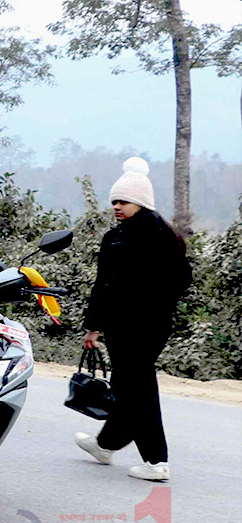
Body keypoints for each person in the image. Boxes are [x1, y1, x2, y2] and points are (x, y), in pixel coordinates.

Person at [74, 157, 191, 483]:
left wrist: (148, 301)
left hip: (142, 326)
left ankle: (157, 461)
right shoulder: (123, 237)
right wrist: (95, 326)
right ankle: (106, 445)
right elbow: (104, 285)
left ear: (140, 202)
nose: (117, 206)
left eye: (123, 201)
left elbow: (181, 278)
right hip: (127, 326)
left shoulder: (157, 237)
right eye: (114, 201)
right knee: (127, 386)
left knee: (138, 388)